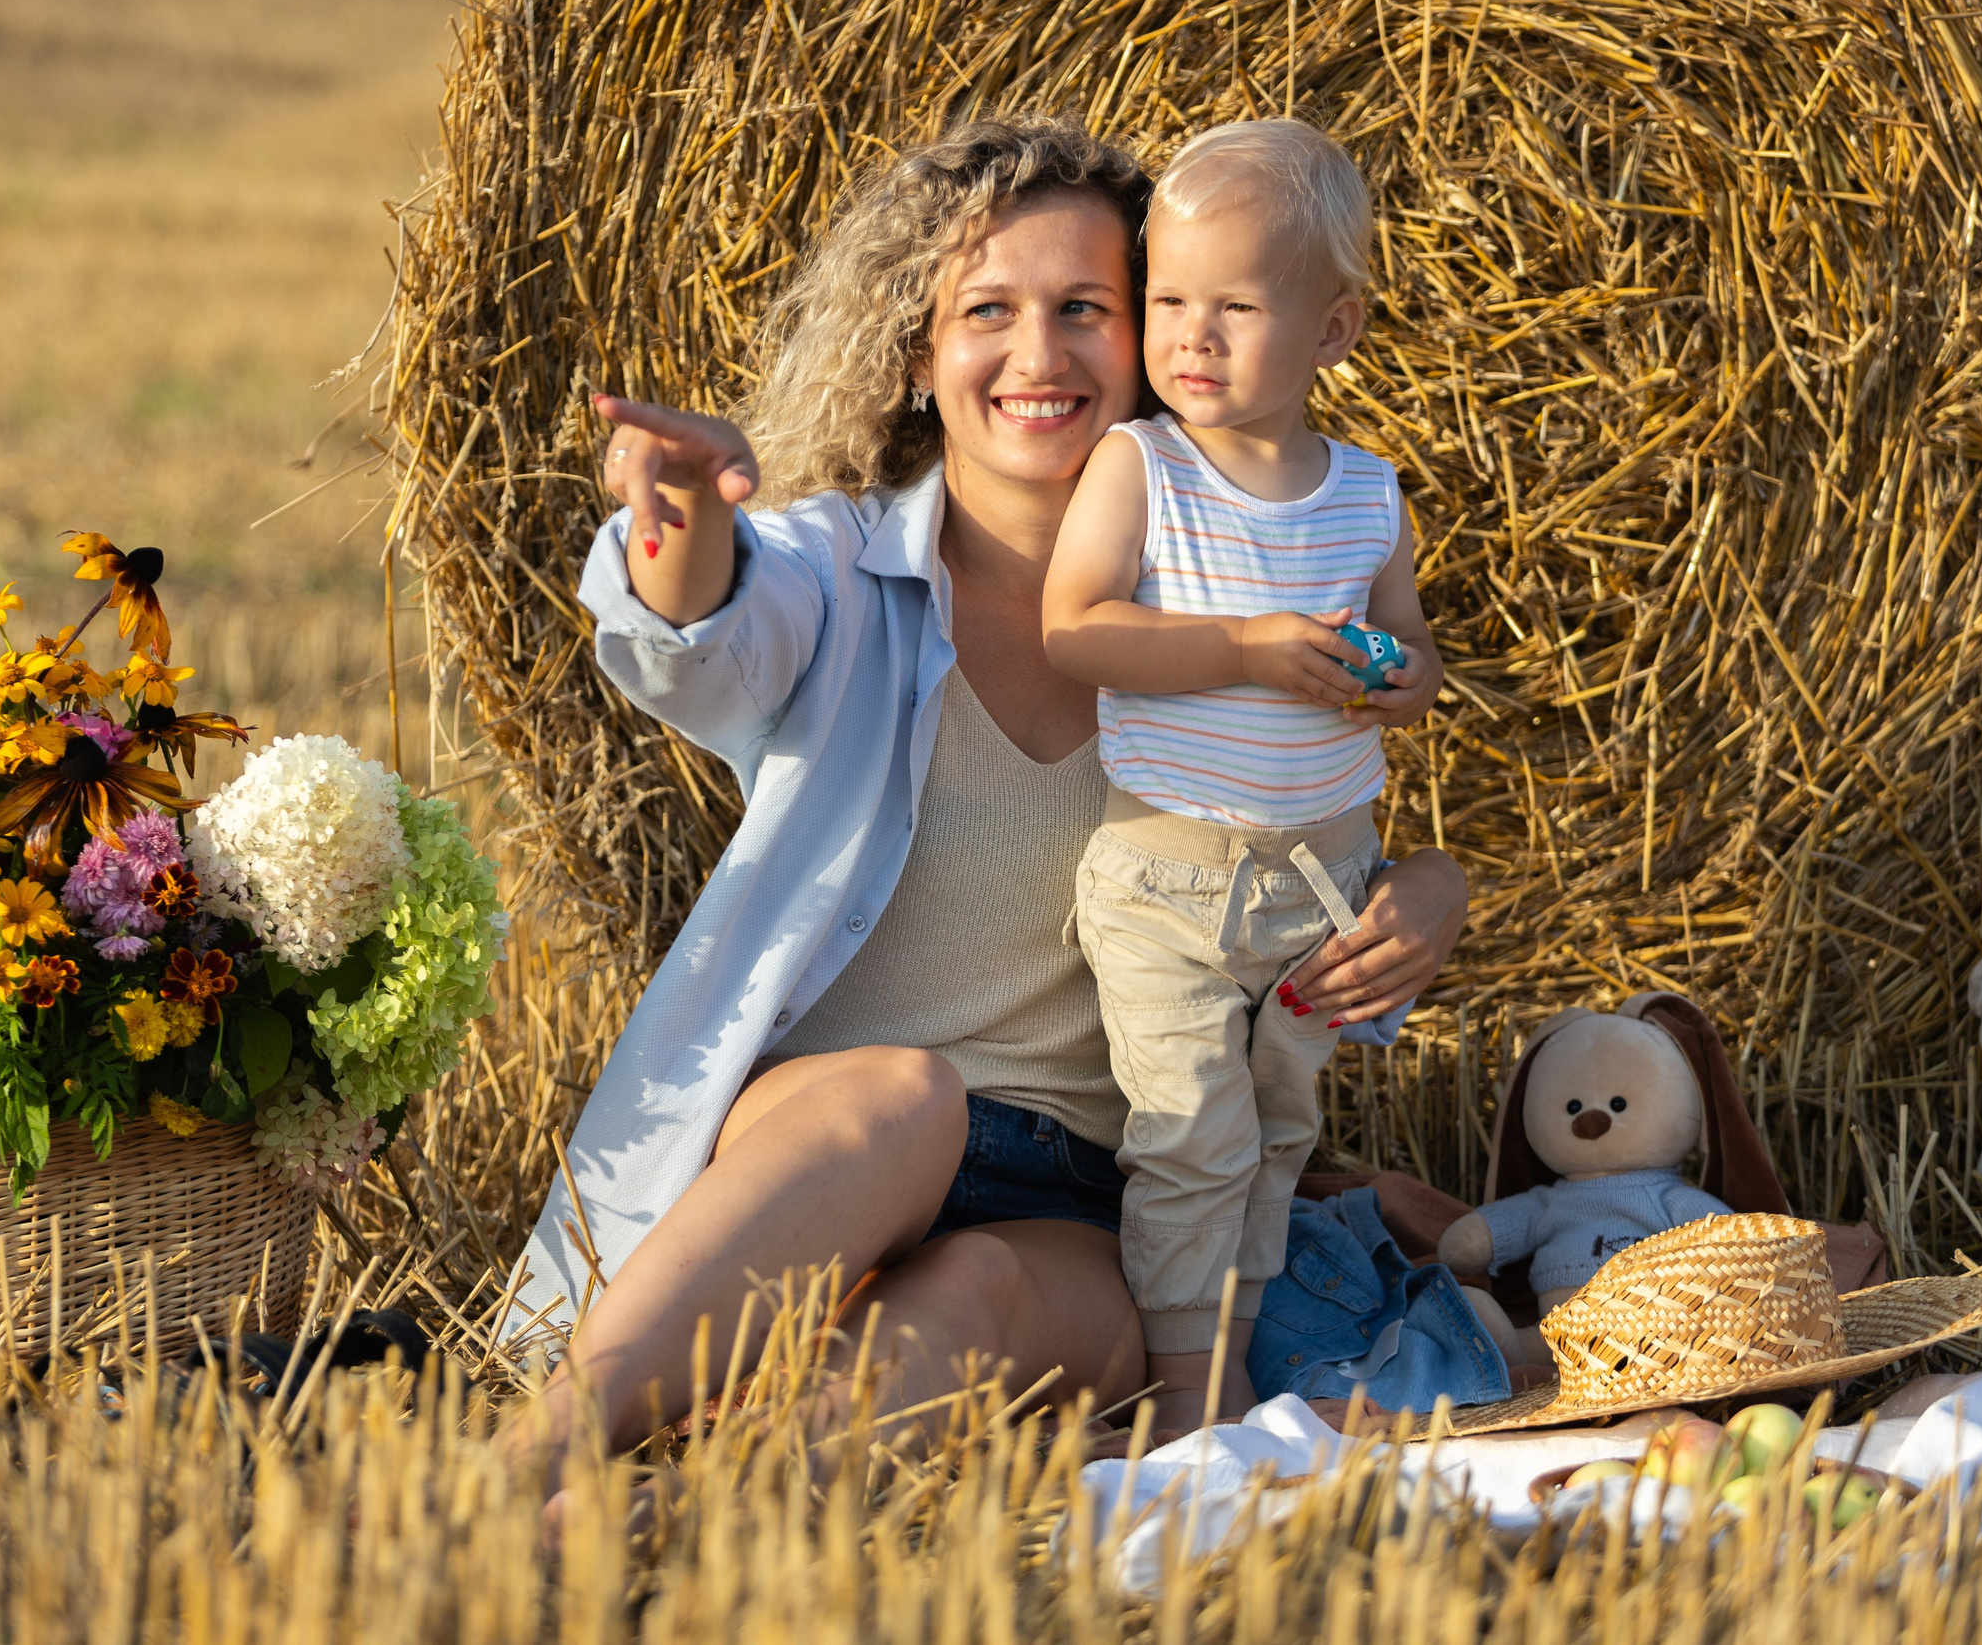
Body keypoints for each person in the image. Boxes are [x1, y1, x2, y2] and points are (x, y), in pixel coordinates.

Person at [507, 117, 1468, 1496]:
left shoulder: (1237, 620)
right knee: (908, 1098)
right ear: (916, 352)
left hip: (1086, 1195)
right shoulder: (840, 574)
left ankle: (690, 1522)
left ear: (1155, 337)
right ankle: (518, 1466)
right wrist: (686, 526)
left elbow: (1297, 850)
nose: (1039, 355)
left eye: (1088, 308)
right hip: (834, 1155)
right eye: (986, 313)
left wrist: (1425, 890)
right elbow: (705, 638)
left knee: (975, 1298)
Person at [1040, 120, 1442, 1432]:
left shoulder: (1370, 498)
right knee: (1191, 1137)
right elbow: (1077, 625)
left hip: (1319, 883)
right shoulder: (1143, 467)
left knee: (1275, 1136)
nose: (1189, 339)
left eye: (1233, 308)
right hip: (1171, 878)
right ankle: (1189, 1400)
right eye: (1167, 303)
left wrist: (1389, 676)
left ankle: (1245, 1350)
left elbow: (1416, 659)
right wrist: (1248, 647)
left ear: (1333, 333)